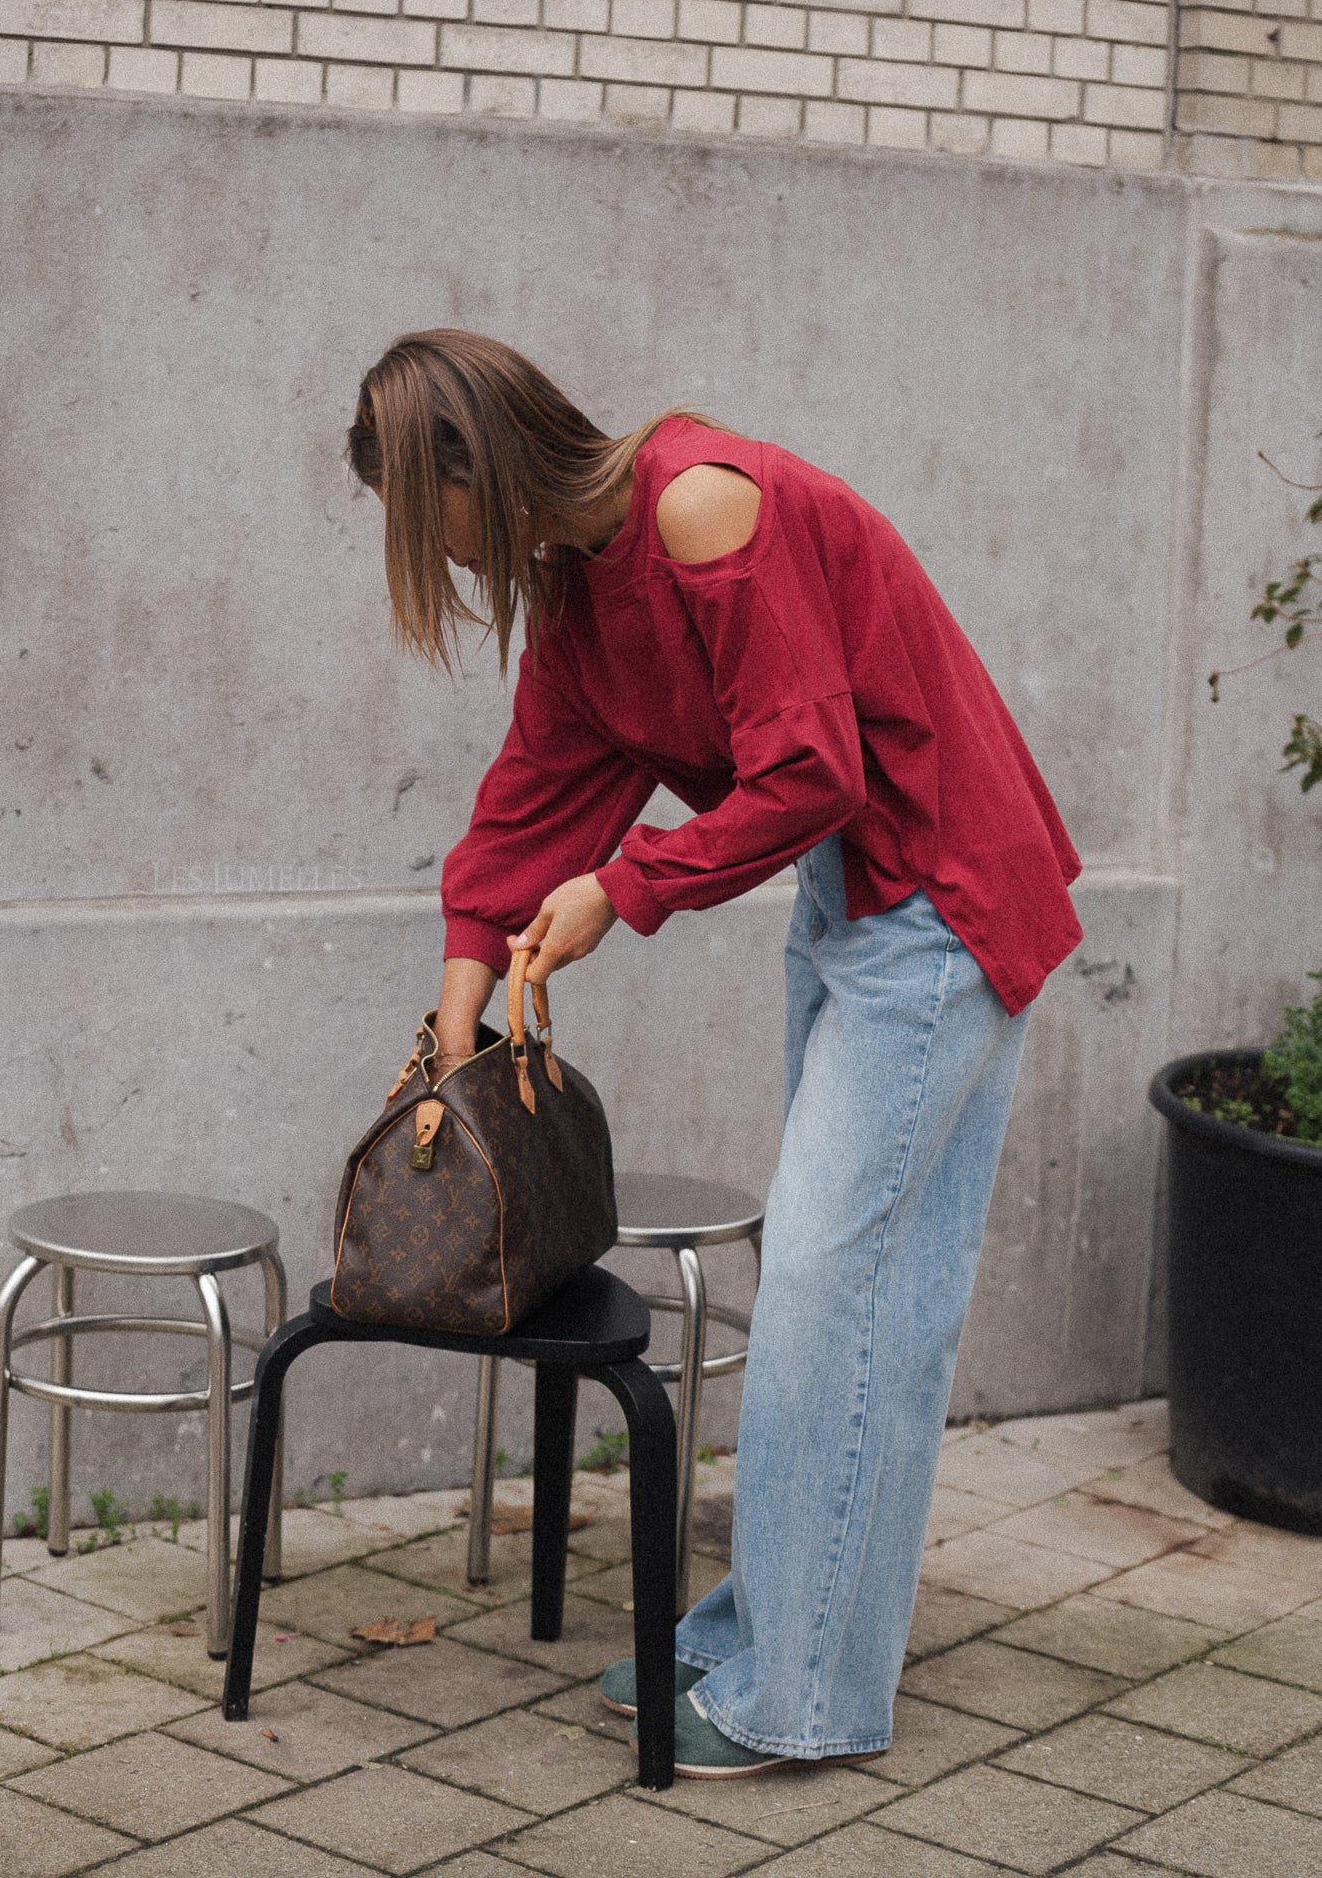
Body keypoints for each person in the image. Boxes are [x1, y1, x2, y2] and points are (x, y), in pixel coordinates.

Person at [347, 328, 1083, 1780]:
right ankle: (784, 1623)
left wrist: (628, 890)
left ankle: (799, 1693)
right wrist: (460, 989)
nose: (426, 551)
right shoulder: (577, 598)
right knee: (873, 1298)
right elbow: (531, 794)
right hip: (855, 902)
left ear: (468, 469)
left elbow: (814, 771)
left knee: (826, 1288)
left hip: (938, 895)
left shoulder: (698, 503)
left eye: (415, 515)